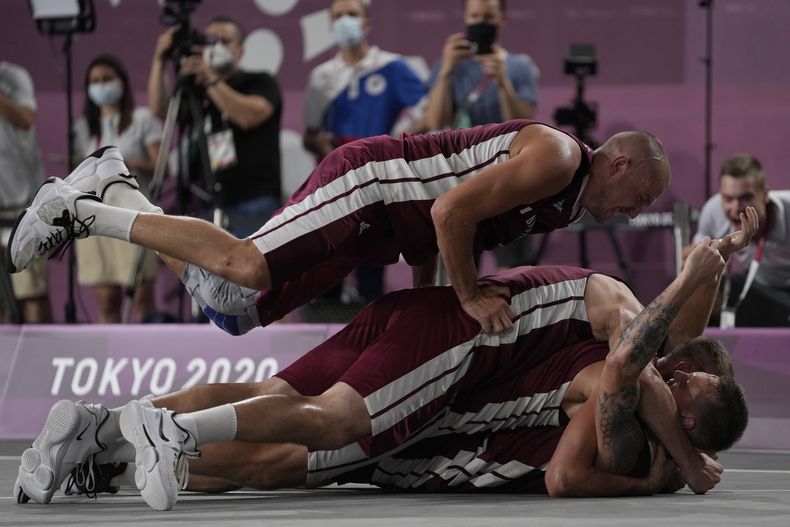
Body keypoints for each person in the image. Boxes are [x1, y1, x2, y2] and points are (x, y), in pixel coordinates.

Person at [14, 220, 755, 508]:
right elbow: (618, 390)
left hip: (423, 325)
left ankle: (102, 434)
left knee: (268, 395)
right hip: (429, 393)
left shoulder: (608, 342)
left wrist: (702, 277)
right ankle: (143, 436)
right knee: (278, 453)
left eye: (685, 376)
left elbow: (651, 354)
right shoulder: (615, 375)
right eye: (681, 366)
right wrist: (682, 463)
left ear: (689, 409)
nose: (674, 367)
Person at [6, 120, 670, 335]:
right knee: (244, 265)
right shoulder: (556, 157)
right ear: (617, 162)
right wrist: (466, 298)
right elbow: (448, 212)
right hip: (370, 185)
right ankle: (80, 209)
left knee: (230, 307)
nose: (632, 214)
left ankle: (112, 182)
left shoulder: (561, 200)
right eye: (637, 197)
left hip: (381, 228)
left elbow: (442, 231)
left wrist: (430, 305)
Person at [303, 0, 428, 304]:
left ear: (367, 22)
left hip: (377, 181)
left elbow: (430, 112)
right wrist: (328, 150)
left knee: (372, 265)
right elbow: (310, 135)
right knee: (327, 264)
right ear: (331, 25)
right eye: (338, 16)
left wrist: (393, 144)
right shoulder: (321, 77)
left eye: (352, 14)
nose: (345, 20)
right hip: (333, 181)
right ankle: (325, 335)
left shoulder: (392, 66)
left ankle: (369, 337)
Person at [425, 0, 540, 272]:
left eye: (488, 16)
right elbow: (435, 121)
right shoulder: (449, 64)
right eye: (474, 16)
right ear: (465, 18)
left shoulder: (518, 66)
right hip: (459, 178)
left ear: (502, 19)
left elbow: (526, 123)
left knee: (514, 271)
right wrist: (446, 72)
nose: (480, 23)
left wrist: (503, 84)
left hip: (507, 178)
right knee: (456, 272)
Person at [148, 16, 282, 237]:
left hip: (254, 202)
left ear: (240, 51)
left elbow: (248, 116)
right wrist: (159, 59)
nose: (216, 46)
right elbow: (160, 108)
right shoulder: (197, 91)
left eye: (224, 40)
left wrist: (210, 78)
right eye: (211, 41)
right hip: (205, 204)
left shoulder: (259, 81)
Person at [73, 55, 163, 323]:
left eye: (107, 79)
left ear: (122, 83)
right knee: (107, 298)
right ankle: (110, 360)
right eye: (95, 81)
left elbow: (162, 167)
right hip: (96, 219)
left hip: (135, 217)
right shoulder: (82, 128)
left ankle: (146, 357)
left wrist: (127, 164)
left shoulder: (142, 119)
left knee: (141, 297)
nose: (101, 86)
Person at [684, 153, 790, 327]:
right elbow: (695, 262)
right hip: (757, 287)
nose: (736, 208)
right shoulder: (713, 212)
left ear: (765, 194)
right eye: (728, 198)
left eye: (745, 198)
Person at [0, 60, 51, 323]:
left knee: (31, 294)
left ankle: (40, 358)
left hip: (22, 209)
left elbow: (26, 118)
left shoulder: (13, 76)